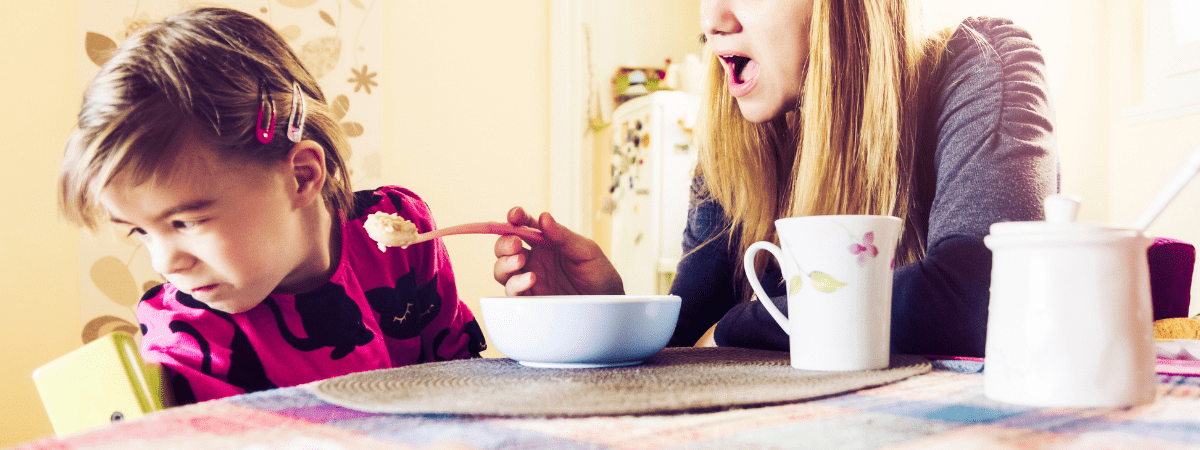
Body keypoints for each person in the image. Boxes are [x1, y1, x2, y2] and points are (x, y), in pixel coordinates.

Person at [494, 0, 1056, 357]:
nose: (712, 21)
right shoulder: (734, 136)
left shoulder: (982, 64)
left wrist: (740, 325)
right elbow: (691, 333)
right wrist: (609, 316)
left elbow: (980, 297)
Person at [58, 7, 485, 404]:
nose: (165, 262)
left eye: (186, 222)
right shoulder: (187, 337)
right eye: (140, 231)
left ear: (301, 176)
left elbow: (469, 382)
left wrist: (545, 313)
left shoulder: (397, 235)